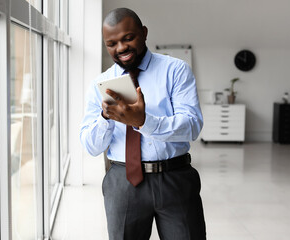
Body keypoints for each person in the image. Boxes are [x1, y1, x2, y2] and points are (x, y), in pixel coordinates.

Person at [80, 8, 206, 240]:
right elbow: (90, 146)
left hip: (174, 177)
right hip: (122, 181)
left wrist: (144, 121)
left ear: (144, 33)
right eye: (112, 43)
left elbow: (192, 125)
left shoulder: (175, 70)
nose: (121, 48)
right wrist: (105, 118)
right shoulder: (100, 83)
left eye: (128, 38)